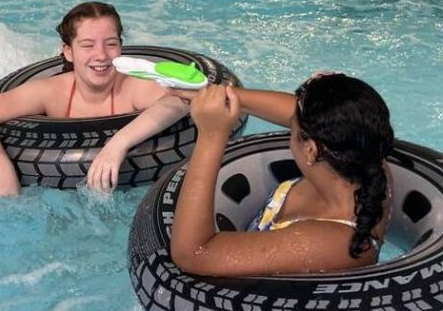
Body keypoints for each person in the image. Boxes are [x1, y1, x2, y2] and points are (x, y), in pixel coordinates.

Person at [169, 73, 394, 276]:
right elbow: (296, 112)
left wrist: (211, 135)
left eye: (292, 130)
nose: (289, 125)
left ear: (311, 150)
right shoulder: (365, 158)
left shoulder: (334, 242)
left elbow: (193, 254)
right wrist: (226, 96)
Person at [0, 1, 189, 196]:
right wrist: (2, 168)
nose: (101, 55)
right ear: (68, 51)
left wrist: (117, 144)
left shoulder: (131, 86)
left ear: (121, 47)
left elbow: (180, 101)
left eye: (111, 44)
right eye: (87, 45)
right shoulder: (51, 92)